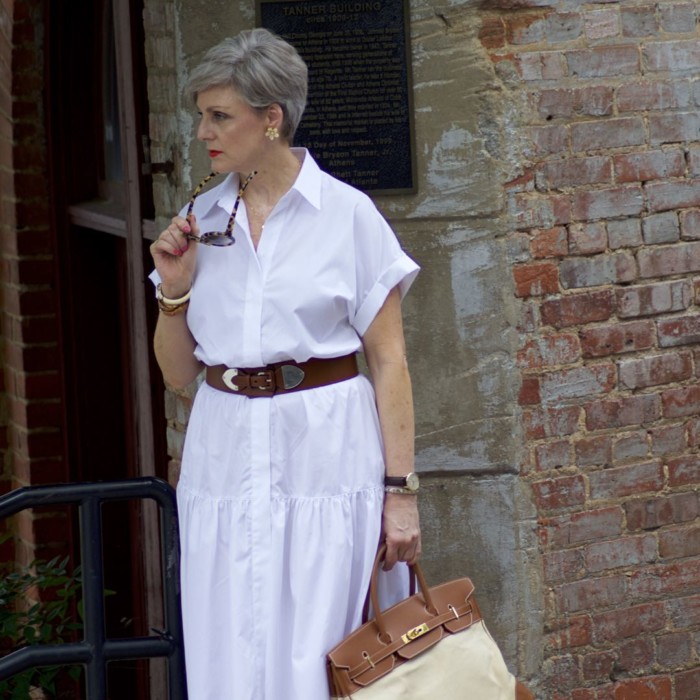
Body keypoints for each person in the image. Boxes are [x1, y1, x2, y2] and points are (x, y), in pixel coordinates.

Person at [149, 28, 421, 700]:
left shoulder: (348, 217)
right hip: (225, 458)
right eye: (201, 115)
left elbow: (389, 361)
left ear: (271, 120)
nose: (204, 132)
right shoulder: (200, 220)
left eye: (221, 116)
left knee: (327, 649)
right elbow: (178, 373)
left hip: (326, 457)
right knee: (231, 645)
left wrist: (401, 493)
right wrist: (174, 290)